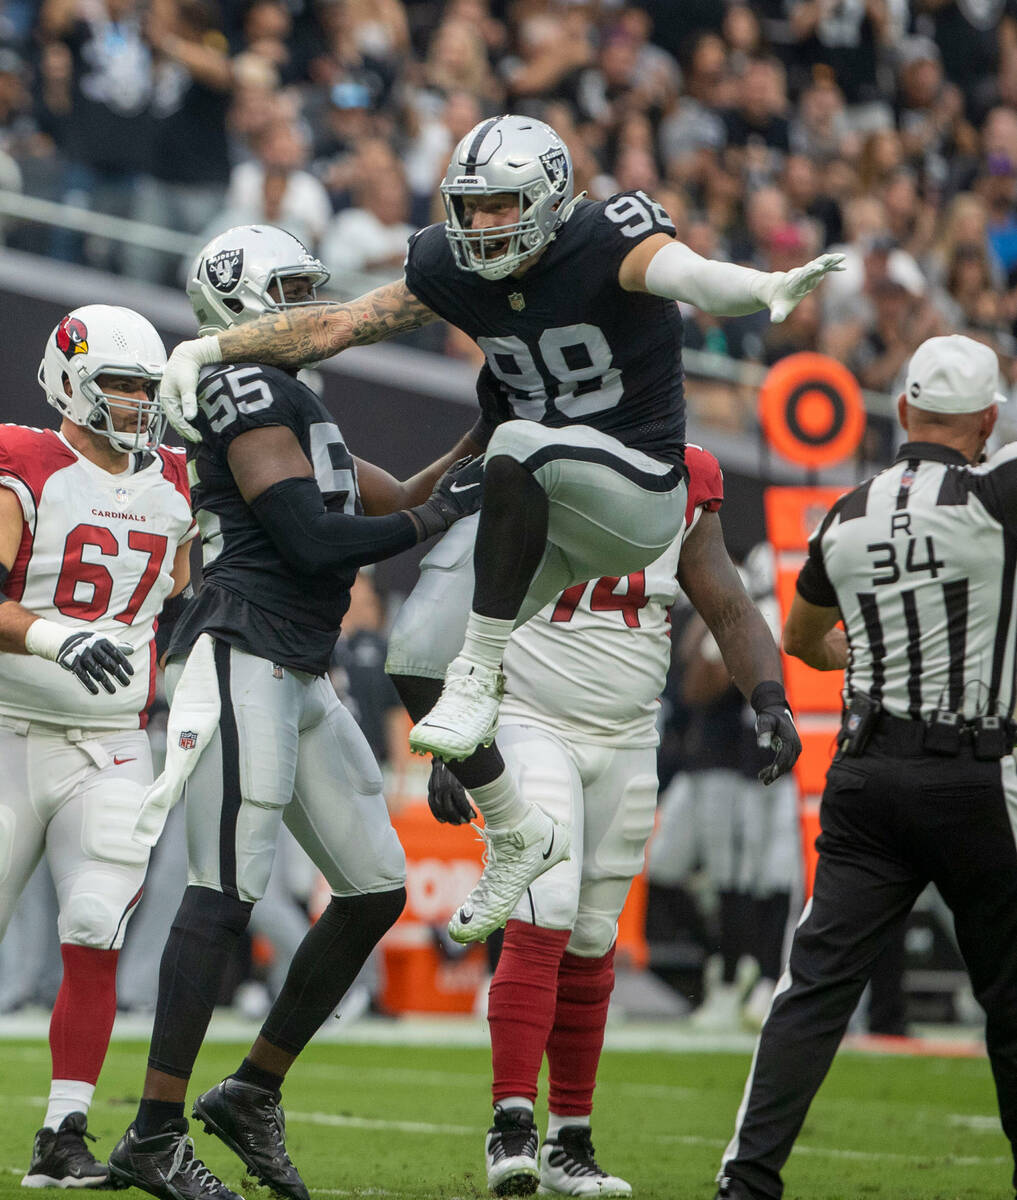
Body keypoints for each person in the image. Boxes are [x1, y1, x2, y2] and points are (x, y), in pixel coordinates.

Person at [155, 114, 842, 943]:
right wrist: (212, 347)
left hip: (634, 489)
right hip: (539, 501)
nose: (482, 225)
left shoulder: (603, 237)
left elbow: (690, 273)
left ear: (551, 197)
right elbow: (336, 324)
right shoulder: (452, 265)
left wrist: (760, 287)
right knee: (413, 658)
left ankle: (479, 672)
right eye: (471, 208)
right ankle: (514, 830)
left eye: (501, 205)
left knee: (518, 443)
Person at [107, 224, 485, 1200]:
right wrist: (428, 520)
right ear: (241, 298)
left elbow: (398, 494)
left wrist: (485, 431)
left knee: (373, 887)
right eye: (289, 291)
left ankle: (253, 1090)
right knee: (223, 890)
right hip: (241, 653)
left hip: (300, 667)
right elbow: (317, 542)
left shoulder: (292, 398)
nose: (310, 311)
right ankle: (153, 1133)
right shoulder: (233, 387)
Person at [405, 445, 801, 1197]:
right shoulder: (535, 449)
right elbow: (462, 592)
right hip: (528, 715)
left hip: (627, 732)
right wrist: (449, 730)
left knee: (592, 934)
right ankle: (511, 1124)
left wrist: (768, 696)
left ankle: (569, 1140)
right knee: (543, 907)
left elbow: (724, 601)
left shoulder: (688, 474)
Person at [715, 334, 1017, 1200]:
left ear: (902, 411)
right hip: (974, 777)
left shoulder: (844, 511)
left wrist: (881, 658)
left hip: (866, 777)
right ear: (987, 419)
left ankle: (746, 1182)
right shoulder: (995, 495)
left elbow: (804, 639)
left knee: (810, 994)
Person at [0, 304, 195, 1187]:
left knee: (93, 927)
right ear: (71, 381)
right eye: (118, 383)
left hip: (115, 743)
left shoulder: (180, 484)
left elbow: (182, 597)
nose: (133, 402)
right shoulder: (29, 466)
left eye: (143, 387)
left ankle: (63, 1132)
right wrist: (52, 637)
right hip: (8, 730)